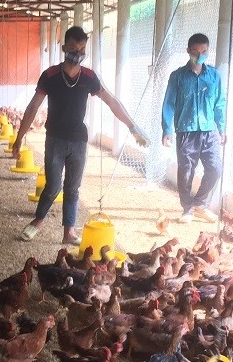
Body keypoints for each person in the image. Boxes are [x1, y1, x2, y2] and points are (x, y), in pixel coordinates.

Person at [12, 26, 147, 244]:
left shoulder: (89, 77)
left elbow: (112, 101)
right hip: (54, 139)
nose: (78, 53)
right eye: (74, 48)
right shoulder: (50, 75)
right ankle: (38, 220)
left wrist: (132, 127)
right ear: (65, 47)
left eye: (82, 49)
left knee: (73, 188)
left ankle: (69, 232)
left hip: (79, 141)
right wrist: (19, 138)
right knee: (53, 185)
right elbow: (32, 107)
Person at [161, 33, 227, 223]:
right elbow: (169, 104)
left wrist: (221, 128)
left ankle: (200, 204)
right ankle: (187, 209)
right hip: (186, 130)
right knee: (186, 172)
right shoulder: (178, 76)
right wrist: (167, 130)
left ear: (208, 50)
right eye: (196, 51)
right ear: (188, 51)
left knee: (215, 168)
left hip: (209, 131)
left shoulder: (214, 76)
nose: (200, 55)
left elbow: (220, 103)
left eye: (204, 51)